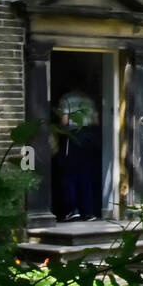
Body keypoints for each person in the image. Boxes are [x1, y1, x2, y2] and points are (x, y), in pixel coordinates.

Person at [56, 91, 101, 221]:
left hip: (73, 136)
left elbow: (64, 121)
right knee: (86, 175)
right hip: (89, 137)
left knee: (69, 174)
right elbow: (96, 121)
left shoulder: (67, 98)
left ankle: (72, 209)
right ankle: (88, 212)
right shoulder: (89, 99)